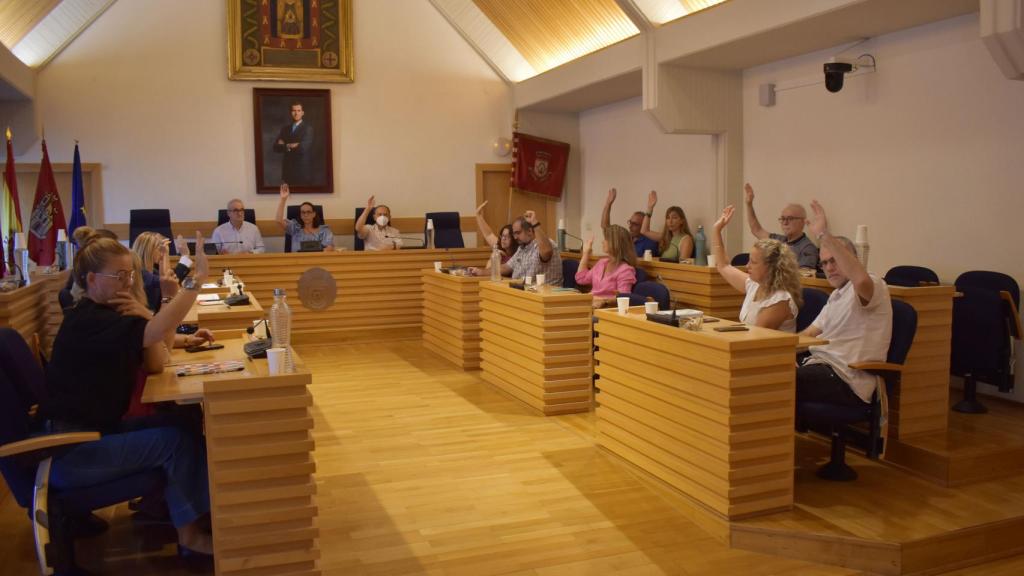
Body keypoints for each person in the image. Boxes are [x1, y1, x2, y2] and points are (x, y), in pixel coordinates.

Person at [41, 230, 215, 555]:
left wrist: (146, 315)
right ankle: (189, 536)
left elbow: (155, 364)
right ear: (91, 279)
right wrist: (196, 280)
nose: (127, 282)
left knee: (183, 419)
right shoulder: (89, 319)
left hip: (93, 435)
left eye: (130, 275)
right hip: (72, 450)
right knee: (175, 442)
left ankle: (183, 513)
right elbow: (156, 335)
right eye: (118, 276)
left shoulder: (111, 315)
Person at [798, 201, 893, 407]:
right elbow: (807, 335)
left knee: (775, 382)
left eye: (835, 260)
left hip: (846, 379)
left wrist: (824, 235)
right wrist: (770, 350)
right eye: (824, 263)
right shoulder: (836, 296)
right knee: (766, 372)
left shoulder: (873, 284)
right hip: (819, 366)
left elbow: (860, 280)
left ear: (852, 259)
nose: (829, 268)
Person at [710, 206, 802, 331]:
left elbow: (756, 337)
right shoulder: (755, 285)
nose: (747, 266)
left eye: (753, 262)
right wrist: (716, 230)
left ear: (770, 267)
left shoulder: (780, 299)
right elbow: (723, 266)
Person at [744, 182, 819, 270]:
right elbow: (756, 230)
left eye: (790, 218)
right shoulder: (778, 241)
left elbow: (804, 277)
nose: (785, 222)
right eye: (783, 219)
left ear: (802, 222)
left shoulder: (807, 248)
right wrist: (749, 204)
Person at [575, 224, 637, 308]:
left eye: (606, 239)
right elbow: (581, 279)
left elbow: (623, 298)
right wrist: (586, 253)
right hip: (590, 305)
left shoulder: (625, 270)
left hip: (605, 309)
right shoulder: (602, 263)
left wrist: (603, 301)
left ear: (615, 243)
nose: (602, 241)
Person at [503, 210, 562, 286]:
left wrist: (534, 223)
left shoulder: (546, 244)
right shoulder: (522, 248)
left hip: (546, 294)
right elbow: (505, 267)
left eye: (518, 233)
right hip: (526, 291)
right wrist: (482, 272)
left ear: (530, 231)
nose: (515, 237)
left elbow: (546, 252)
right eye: (514, 234)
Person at [601, 188, 658, 258]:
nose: (630, 226)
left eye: (635, 224)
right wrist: (608, 204)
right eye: (630, 222)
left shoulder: (650, 242)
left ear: (643, 226)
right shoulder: (625, 237)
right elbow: (606, 228)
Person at [275, 184, 334, 251]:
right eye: (303, 212)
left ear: (314, 214)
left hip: (317, 260)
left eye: (308, 212)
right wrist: (283, 199)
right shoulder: (295, 229)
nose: (306, 215)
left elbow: (330, 248)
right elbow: (278, 220)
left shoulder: (324, 231)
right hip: (297, 260)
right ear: (300, 215)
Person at [640, 191, 693, 261]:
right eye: (668, 218)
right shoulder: (666, 237)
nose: (670, 221)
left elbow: (683, 265)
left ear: (682, 221)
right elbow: (644, 231)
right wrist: (650, 208)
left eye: (674, 218)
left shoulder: (686, 239)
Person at [272, 102, 313, 185]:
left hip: (301, 171)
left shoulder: (308, 129)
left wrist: (284, 145)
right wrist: (291, 145)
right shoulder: (285, 129)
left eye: (298, 110)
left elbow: (302, 148)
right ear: (291, 112)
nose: (296, 113)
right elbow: (275, 147)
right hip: (287, 171)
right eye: (294, 110)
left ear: (302, 113)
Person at [473, 200, 518, 272]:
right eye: (502, 236)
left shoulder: (519, 252)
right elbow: (489, 234)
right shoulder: (500, 245)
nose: (503, 239)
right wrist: (478, 215)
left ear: (514, 238)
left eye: (507, 237)